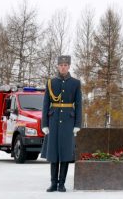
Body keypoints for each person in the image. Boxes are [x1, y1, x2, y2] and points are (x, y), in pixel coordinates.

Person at [41, 55, 83, 193]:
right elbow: (46, 104)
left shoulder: (75, 83)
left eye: (66, 65)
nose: (63, 67)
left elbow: (78, 104)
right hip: (53, 121)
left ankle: (62, 184)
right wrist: (44, 124)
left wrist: (77, 124)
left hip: (68, 121)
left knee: (65, 153)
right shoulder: (50, 82)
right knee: (53, 153)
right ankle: (53, 183)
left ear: (69, 66)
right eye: (61, 65)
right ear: (58, 66)